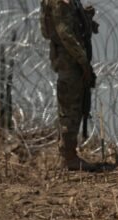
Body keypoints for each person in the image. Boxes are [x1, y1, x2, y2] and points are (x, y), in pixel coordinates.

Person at [40, 0, 102, 171]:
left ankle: (68, 155)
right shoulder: (60, 3)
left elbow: (72, 26)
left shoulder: (71, 2)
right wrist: (83, 62)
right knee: (70, 109)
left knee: (76, 106)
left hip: (74, 61)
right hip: (70, 62)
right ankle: (69, 158)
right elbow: (65, 34)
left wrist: (87, 21)